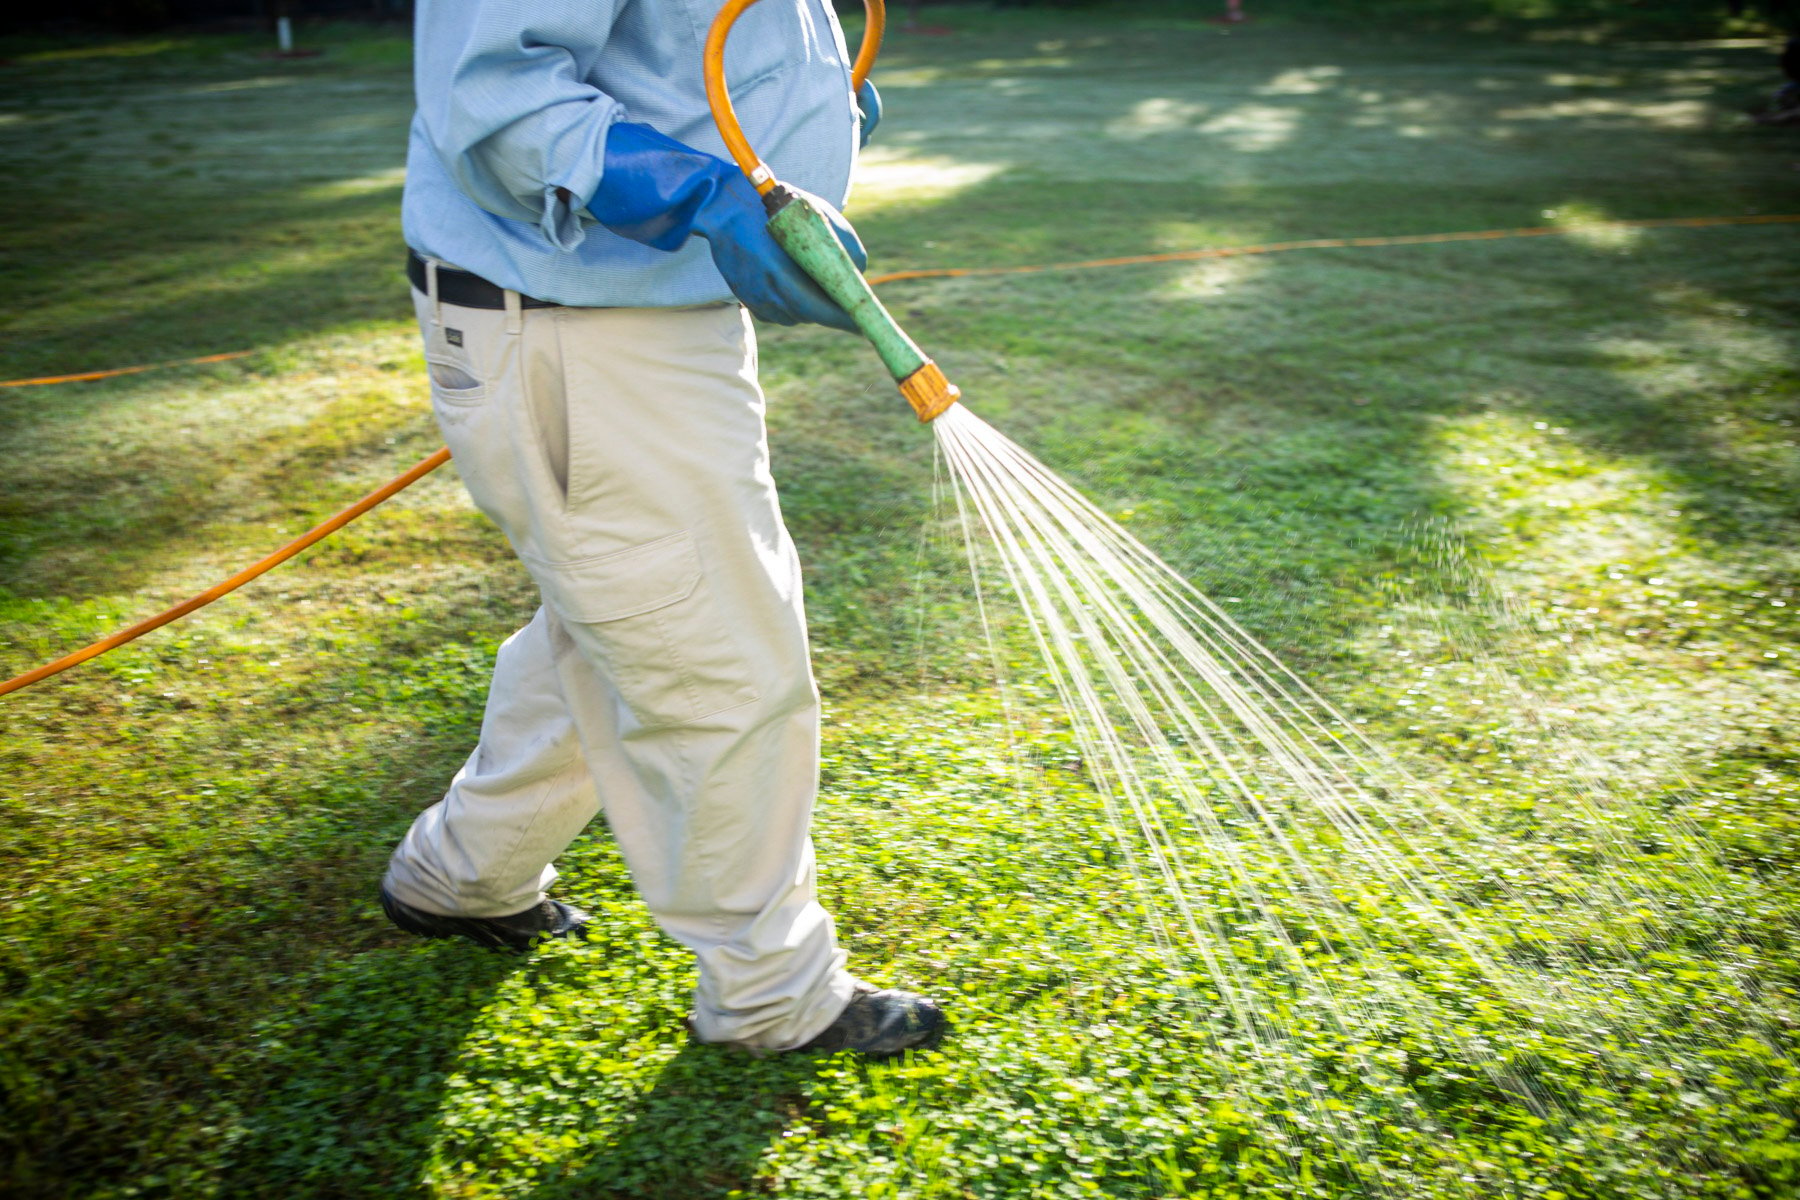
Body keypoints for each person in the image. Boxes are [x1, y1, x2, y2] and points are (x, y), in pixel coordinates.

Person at [376, 0, 946, 1060]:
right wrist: (693, 188)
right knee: (716, 655)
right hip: (576, 325)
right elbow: (493, 86)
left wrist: (809, 98)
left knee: (618, 621)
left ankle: (462, 874)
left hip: (638, 312)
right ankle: (774, 992)